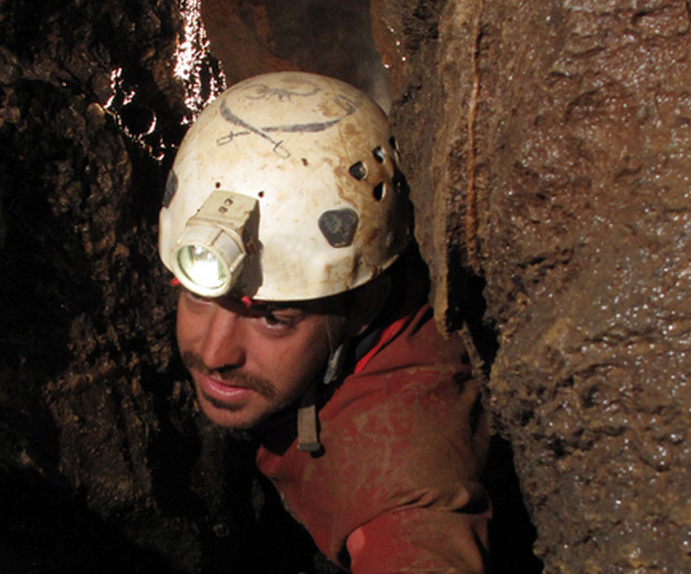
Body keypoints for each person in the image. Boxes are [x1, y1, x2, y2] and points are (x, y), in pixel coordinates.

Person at [158, 72, 490, 572]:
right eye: (200, 296)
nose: (214, 353)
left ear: (361, 305)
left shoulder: (405, 476)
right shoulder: (365, 284)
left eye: (271, 318)